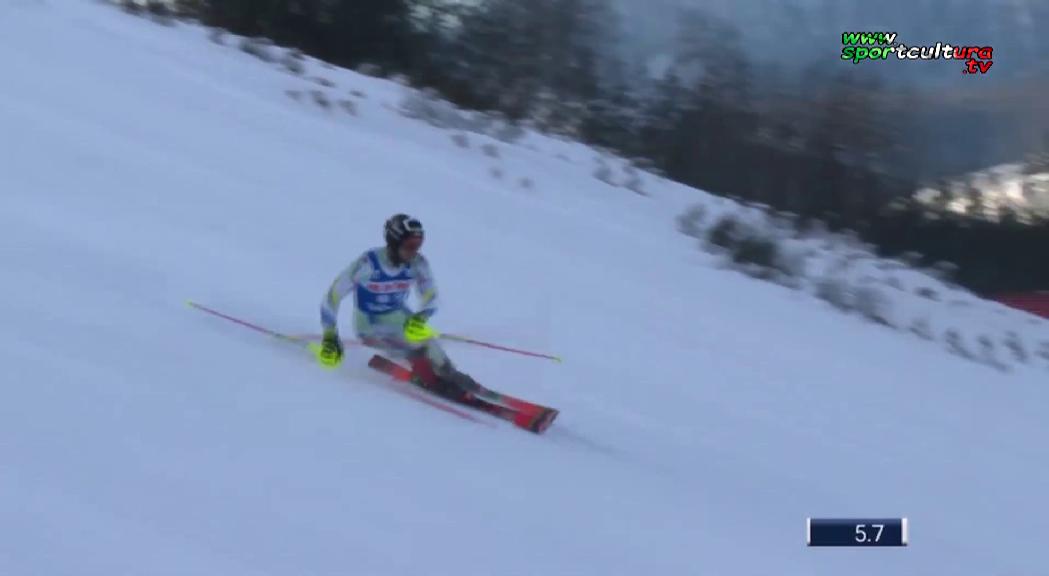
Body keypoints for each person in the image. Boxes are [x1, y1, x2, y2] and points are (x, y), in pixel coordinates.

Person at [316, 213, 481, 401]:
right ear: (394, 243)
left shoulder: (418, 263)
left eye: (418, 245)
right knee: (414, 351)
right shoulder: (368, 264)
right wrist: (330, 335)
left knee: (431, 347)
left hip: (398, 316)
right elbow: (332, 297)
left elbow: (431, 296)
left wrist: (422, 316)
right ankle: (429, 378)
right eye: (410, 246)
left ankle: (449, 373)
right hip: (369, 325)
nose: (414, 251)